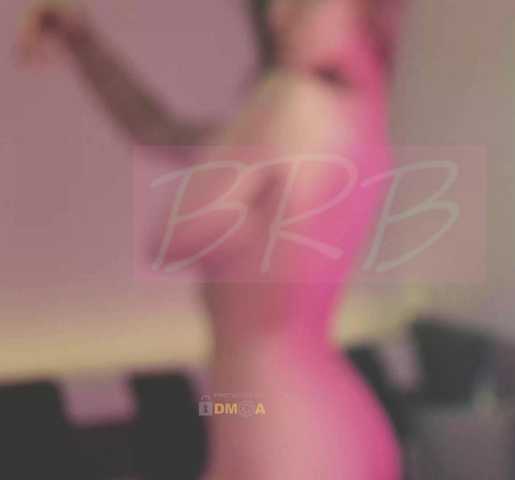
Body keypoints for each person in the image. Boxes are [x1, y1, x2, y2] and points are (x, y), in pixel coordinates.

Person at [18, 1, 405, 478]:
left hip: (279, 423)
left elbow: (173, 234)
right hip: (279, 412)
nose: (278, 17)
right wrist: (84, 43)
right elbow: (157, 129)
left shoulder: (288, 103)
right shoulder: (354, 116)